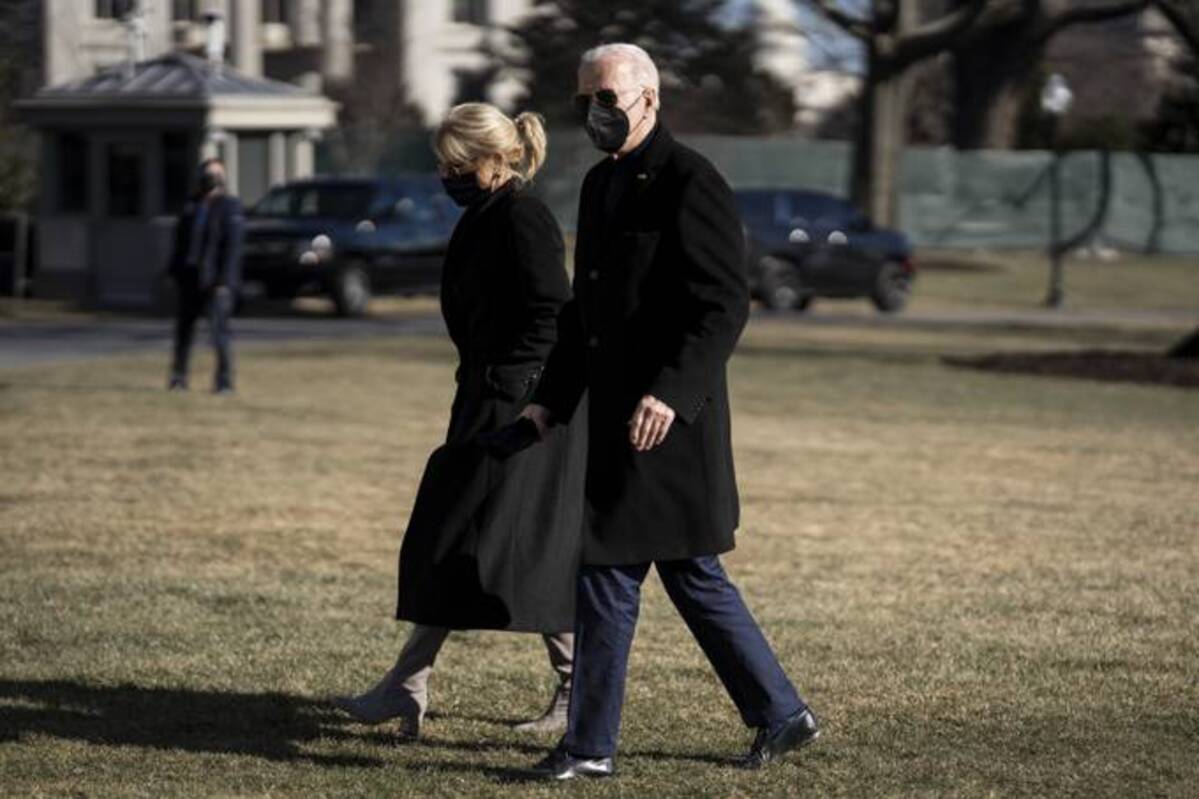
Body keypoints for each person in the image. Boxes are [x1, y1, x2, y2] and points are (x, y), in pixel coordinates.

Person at [520, 44, 820, 780]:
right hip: (614, 423)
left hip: (668, 426)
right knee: (678, 575)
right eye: (584, 97)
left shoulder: (692, 181)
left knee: (618, 574)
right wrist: (548, 403)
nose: (595, 110)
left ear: (649, 99)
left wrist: (670, 392)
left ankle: (590, 746)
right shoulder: (597, 186)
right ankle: (780, 714)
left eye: (608, 97)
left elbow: (723, 305)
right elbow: (582, 313)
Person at [334, 103, 585, 738]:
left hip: (521, 410)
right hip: (486, 398)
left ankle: (575, 687)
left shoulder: (522, 216)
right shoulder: (486, 214)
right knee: (460, 539)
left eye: (459, 164)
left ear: (496, 161)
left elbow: (552, 315)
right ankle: (407, 685)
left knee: (510, 547)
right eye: (443, 165)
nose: (448, 176)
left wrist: (525, 399)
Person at [167, 158, 244, 394]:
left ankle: (224, 381)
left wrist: (223, 281)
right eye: (206, 174)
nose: (210, 179)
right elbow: (179, 243)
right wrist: (174, 272)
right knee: (184, 332)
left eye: (215, 174)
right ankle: (178, 378)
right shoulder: (191, 206)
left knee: (219, 333)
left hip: (214, 281)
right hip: (190, 278)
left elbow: (232, 248)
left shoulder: (229, 207)